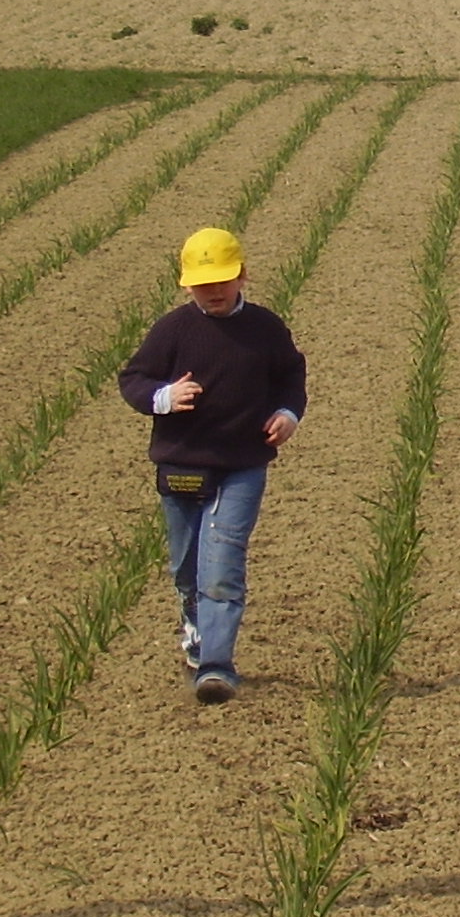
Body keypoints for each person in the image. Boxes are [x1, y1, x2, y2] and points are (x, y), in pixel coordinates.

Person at [120, 227, 306, 705]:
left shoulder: (266, 329)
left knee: (221, 564)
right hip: (181, 465)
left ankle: (216, 667)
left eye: (224, 280)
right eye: (204, 284)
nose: (215, 291)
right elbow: (134, 379)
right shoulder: (173, 331)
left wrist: (287, 414)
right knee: (186, 569)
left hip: (242, 465)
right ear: (187, 285)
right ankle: (195, 636)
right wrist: (163, 397)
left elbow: (290, 377)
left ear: (243, 275)